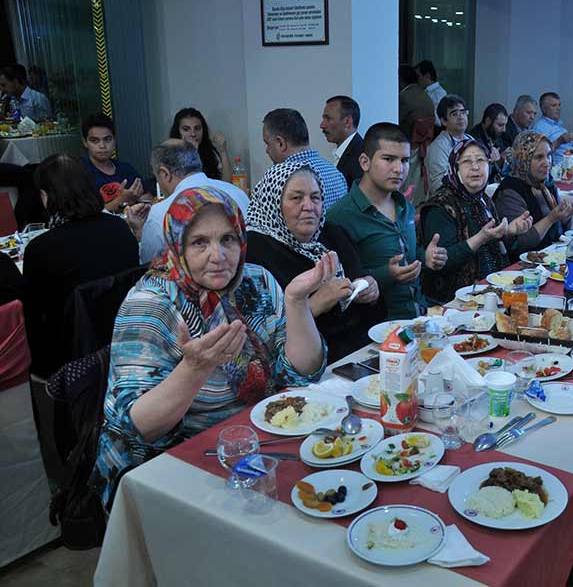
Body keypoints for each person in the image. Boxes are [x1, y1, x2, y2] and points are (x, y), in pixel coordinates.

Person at [92, 187, 330, 506]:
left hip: (261, 444)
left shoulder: (254, 280)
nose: (217, 256)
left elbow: (302, 375)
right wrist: (195, 369)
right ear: (177, 244)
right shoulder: (150, 305)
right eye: (200, 242)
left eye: (228, 239)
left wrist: (296, 301)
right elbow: (139, 428)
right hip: (174, 464)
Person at [246, 161, 381, 362]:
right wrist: (315, 303)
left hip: (359, 353)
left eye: (315, 198)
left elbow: (363, 293)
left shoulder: (332, 234)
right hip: (306, 366)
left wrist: (371, 290)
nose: (309, 206)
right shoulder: (255, 251)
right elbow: (263, 337)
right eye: (296, 198)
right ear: (274, 201)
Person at [23, 154, 139, 378]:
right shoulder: (119, 228)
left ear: (46, 197)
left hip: (70, 360)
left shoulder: (41, 249)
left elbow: (35, 321)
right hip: (127, 344)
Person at [325, 123, 447, 320]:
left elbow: (408, 257)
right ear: (365, 162)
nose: (399, 169)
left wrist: (426, 258)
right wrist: (386, 274)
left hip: (421, 315)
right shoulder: (340, 216)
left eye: (405, 160)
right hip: (377, 330)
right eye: (389, 159)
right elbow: (339, 286)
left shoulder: (404, 206)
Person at [419, 139, 532, 304]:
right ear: (454, 168)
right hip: (454, 301)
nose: (475, 167)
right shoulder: (441, 206)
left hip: (492, 291)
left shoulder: (483, 199)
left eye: (481, 160)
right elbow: (443, 261)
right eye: (466, 161)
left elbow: (495, 248)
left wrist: (509, 232)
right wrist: (480, 238)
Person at [136, 140, 249, 263]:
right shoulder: (236, 192)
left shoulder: (161, 212)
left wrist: (139, 232)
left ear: (164, 174)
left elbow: (149, 265)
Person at [493, 131, 573, 258]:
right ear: (523, 159)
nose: (547, 162)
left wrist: (566, 217)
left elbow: (558, 233)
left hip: (550, 257)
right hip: (522, 266)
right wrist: (551, 218)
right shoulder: (510, 191)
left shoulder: (546, 183)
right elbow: (522, 243)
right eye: (539, 157)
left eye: (549, 155)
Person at [261, 108, 346, 211]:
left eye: (267, 144)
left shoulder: (277, 178)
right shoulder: (335, 173)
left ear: (281, 143)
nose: (267, 151)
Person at [80, 112, 154, 212]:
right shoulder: (78, 172)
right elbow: (87, 214)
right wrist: (122, 200)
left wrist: (142, 202)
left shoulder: (126, 169)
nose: (102, 146)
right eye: (95, 140)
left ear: (114, 140)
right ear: (85, 142)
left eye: (107, 139)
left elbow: (147, 198)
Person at [422, 94, 473, 205]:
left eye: (463, 112)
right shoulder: (438, 146)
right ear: (444, 121)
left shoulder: (471, 140)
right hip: (447, 203)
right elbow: (438, 185)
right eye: (455, 114)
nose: (461, 117)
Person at [168, 108, 233, 182]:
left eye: (197, 128)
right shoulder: (170, 154)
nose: (193, 134)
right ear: (178, 132)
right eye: (186, 129)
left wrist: (223, 151)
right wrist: (192, 154)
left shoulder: (209, 152)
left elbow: (227, 183)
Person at [320, 95, 364, 189]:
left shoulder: (360, 156)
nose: (322, 125)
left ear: (347, 121)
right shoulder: (351, 151)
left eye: (328, 119)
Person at [467, 103, 509, 183]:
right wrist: (498, 162)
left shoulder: (494, 134)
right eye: (500, 125)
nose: (504, 129)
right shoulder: (475, 140)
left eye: (505, 125)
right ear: (488, 121)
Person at [531, 92, 573, 164]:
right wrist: (559, 141)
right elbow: (537, 155)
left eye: (559, 105)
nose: (558, 108)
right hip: (559, 169)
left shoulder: (561, 128)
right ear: (544, 109)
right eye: (554, 105)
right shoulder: (539, 127)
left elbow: (569, 149)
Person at [398, 64, 435, 140]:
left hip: (408, 141)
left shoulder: (404, 97)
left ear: (400, 79)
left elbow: (394, 121)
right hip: (425, 142)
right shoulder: (424, 93)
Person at [415, 60, 447, 127]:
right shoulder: (424, 91)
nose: (416, 80)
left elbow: (439, 121)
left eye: (418, 76)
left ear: (427, 75)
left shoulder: (439, 93)